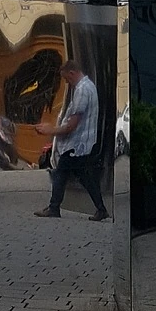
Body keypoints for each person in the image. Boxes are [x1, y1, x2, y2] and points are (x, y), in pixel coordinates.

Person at [34, 61, 109, 221]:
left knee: (60, 173)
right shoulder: (90, 87)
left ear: (72, 73)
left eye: (67, 79)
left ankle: (54, 208)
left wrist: (50, 130)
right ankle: (101, 209)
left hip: (76, 145)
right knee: (84, 176)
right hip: (83, 144)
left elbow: (71, 126)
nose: (67, 82)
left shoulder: (82, 90)